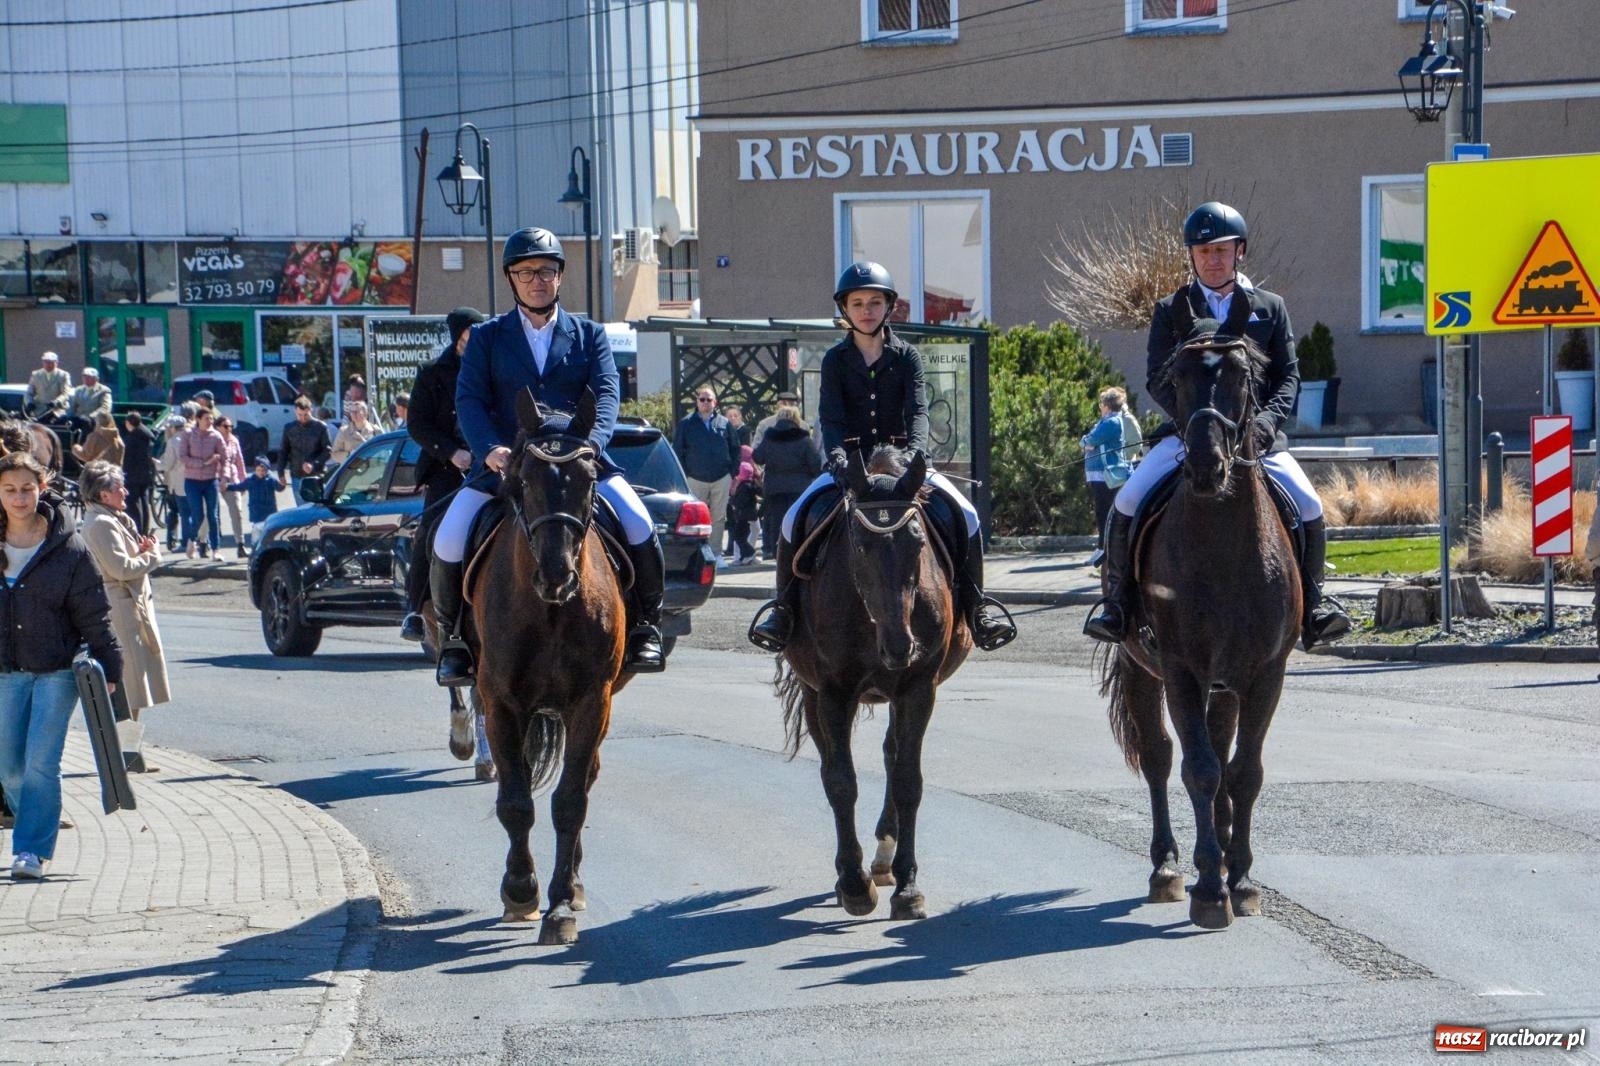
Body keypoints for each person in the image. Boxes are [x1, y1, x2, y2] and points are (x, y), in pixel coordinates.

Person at [1083, 201, 1352, 650]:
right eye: (1203, 250)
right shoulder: (1172, 309)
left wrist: (1264, 424)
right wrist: (1193, 424)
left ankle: (1316, 608)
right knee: (1127, 500)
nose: (1212, 259)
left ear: (1239, 251)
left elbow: (1288, 376)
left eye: (1221, 250)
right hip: (1192, 435)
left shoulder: (1269, 307)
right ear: (1192, 255)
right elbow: (1156, 376)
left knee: (1308, 506)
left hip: (1258, 439)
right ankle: (1118, 605)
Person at [436, 227, 668, 683]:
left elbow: (606, 395)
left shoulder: (589, 334)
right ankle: (454, 640)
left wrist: (594, 444)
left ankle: (645, 627)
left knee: (639, 524)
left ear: (559, 276)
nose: (535, 280)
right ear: (512, 279)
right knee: (447, 536)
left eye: (545, 270)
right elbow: (469, 401)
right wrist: (488, 450)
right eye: (525, 272)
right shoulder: (486, 337)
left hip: (578, 462)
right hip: (510, 464)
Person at [748, 262, 1017, 653]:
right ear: (846, 309)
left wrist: (915, 457)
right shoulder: (835, 361)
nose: (866, 310)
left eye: (875, 302)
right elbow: (832, 418)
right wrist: (839, 458)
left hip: (903, 467)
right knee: (794, 518)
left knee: (967, 514)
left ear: (889, 306)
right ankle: (783, 611)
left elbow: (919, 412)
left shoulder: (907, 356)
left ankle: (977, 608)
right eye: (857, 303)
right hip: (851, 468)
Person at [0, 450, 122, 881]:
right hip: (5, 672)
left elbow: (94, 612)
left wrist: (111, 665)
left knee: (39, 763)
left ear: (42, 489)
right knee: (9, 767)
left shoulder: (68, 547)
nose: (19, 498)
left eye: (27, 489)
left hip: (56, 670)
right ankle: (40, 807)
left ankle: (31, 848)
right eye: (10, 490)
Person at [400, 306, 485, 643]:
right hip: (447, 467)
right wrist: (452, 452)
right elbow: (417, 424)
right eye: (468, 337)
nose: (474, 342)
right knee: (428, 534)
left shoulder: (491, 367)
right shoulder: (432, 373)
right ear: (456, 337)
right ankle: (415, 609)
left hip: (490, 463)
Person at [78, 461, 169, 769]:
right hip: (120, 609)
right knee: (128, 686)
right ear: (104, 494)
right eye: (119, 487)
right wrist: (152, 556)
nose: (125, 491)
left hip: (129, 607)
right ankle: (125, 756)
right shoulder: (100, 524)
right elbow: (120, 569)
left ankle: (130, 755)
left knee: (135, 686)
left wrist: (141, 550)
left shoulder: (113, 518)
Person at [673, 386, 739, 567]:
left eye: (709, 400)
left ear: (715, 402)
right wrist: (684, 476)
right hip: (695, 478)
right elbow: (678, 451)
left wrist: (733, 473)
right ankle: (697, 555)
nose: (705, 403)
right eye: (702, 399)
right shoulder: (686, 424)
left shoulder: (725, 423)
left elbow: (735, 449)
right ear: (697, 402)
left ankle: (716, 554)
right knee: (696, 519)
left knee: (718, 517)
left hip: (721, 477)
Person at [752, 392, 821, 561]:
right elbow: (815, 463)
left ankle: (779, 553)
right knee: (798, 520)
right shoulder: (804, 439)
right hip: (799, 487)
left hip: (775, 488)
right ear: (796, 418)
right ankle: (797, 552)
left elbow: (757, 457)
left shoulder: (769, 437)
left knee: (777, 521)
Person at [1081, 388, 1132, 566]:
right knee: (1101, 512)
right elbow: (1088, 441)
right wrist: (1087, 442)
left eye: (1101, 404)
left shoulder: (1111, 422)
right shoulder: (1106, 421)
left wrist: (1086, 442)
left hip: (1105, 476)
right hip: (1099, 476)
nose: (1100, 407)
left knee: (1104, 513)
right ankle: (1102, 547)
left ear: (1107, 406)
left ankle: (1105, 549)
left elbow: (1089, 441)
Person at [177, 408, 225, 559]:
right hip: (192, 481)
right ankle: (192, 540)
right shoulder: (188, 434)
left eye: (211, 419)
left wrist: (225, 477)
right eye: (206, 418)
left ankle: (216, 549)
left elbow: (225, 458)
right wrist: (204, 463)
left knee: (213, 514)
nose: (210, 422)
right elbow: (183, 457)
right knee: (198, 515)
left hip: (211, 480)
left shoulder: (216, 436)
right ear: (198, 419)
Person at [277, 397, 331, 500]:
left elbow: (327, 451)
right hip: (297, 476)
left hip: (316, 476)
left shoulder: (321, 427)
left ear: (311, 410)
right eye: (299, 415)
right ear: (295, 412)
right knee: (301, 511)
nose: (303, 418)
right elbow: (283, 451)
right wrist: (280, 473)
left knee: (317, 510)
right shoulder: (289, 428)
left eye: (306, 414)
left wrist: (313, 464)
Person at [227, 457, 279, 553]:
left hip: (270, 513)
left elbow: (279, 487)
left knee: (269, 535)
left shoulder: (270, 479)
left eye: (263, 470)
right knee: (256, 534)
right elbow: (240, 486)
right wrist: (228, 487)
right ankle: (255, 551)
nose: (261, 472)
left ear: (267, 470)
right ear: (255, 470)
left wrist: (282, 484)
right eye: (258, 470)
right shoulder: (250, 480)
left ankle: (268, 551)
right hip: (256, 513)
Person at [214, 416, 249, 558]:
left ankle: (240, 544)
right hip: (213, 478)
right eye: (225, 426)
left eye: (230, 426)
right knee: (209, 514)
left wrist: (243, 481)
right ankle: (205, 543)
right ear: (217, 427)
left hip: (232, 479)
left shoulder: (234, 440)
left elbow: (239, 461)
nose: (229, 429)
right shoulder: (212, 440)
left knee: (237, 512)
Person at [120, 411, 158, 536]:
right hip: (145, 472)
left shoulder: (132, 438)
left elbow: (128, 458)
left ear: (128, 423)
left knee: (134, 503)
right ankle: (145, 529)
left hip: (133, 474)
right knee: (144, 501)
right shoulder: (146, 433)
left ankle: (139, 529)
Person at [156, 415, 188, 550]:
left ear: (173, 428)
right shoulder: (190, 438)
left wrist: (157, 464)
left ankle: (175, 540)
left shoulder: (172, 441)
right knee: (188, 513)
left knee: (175, 511)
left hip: (175, 482)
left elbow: (168, 464)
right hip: (191, 481)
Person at [727, 444, 760, 565]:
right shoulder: (741, 474)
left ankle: (747, 554)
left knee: (746, 532)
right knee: (741, 534)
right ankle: (741, 556)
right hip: (745, 512)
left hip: (743, 512)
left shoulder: (746, 474)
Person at [66, 366, 114, 440]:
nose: (86, 379)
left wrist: (91, 417)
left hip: (94, 421)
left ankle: (84, 446)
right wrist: (69, 416)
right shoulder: (78, 390)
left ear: (96, 379)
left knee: (85, 422)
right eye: (84, 376)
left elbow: (105, 408)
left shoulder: (104, 390)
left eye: (89, 377)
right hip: (79, 419)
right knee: (63, 422)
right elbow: (72, 406)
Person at [23, 352, 71, 424]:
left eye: (51, 362)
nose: (48, 365)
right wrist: (29, 403)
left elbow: (66, 393)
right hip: (39, 410)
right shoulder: (36, 374)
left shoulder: (63, 375)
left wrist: (56, 402)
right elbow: (29, 392)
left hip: (57, 411)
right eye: (46, 362)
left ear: (56, 363)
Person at [330, 400, 381, 465]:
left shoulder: (375, 430)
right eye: (351, 412)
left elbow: (383, 452)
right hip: (352, 471)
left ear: (365, 414)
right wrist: (350, 455)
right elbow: (334, 454)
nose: (353, 414)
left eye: (356, 412)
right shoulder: (344, 431)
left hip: (372, 469)